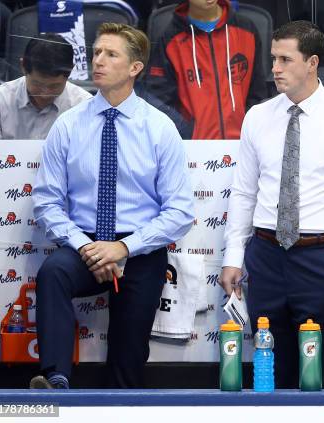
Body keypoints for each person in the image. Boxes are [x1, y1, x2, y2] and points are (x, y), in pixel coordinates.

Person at [30, 23, 194, 389]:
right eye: (96, 52)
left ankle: (122, 401)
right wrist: (88, 247)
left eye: (110, 54)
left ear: (135, 68)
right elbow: (47, 202)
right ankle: (55, 379)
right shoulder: (68, 124)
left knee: (127, 359)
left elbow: (180, 211)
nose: (97, 60)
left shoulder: (159, 128)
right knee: (53, 272)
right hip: (83, 244)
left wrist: (122, 247)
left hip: (139, 249)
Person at [220, 20, 324, 388]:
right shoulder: (258, 118)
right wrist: (232, 256)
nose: (275, 69)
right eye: (274, 59)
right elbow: (244, 192)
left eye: (285, 60)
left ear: (312, 63)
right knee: (269, 364)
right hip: (265, 254)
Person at [145, 0, 267, 139]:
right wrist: (186, 135)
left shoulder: (247, 29)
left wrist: (250, 133)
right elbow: (160, 101)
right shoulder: (170, 39)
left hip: (243, 144)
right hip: (193, 149)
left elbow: (257, 92)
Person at [0, 33, 91, 139]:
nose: (45, 95)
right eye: (37, 84)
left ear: (71, 70)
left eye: (54, 86)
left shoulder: (84, 107)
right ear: (23, 66)